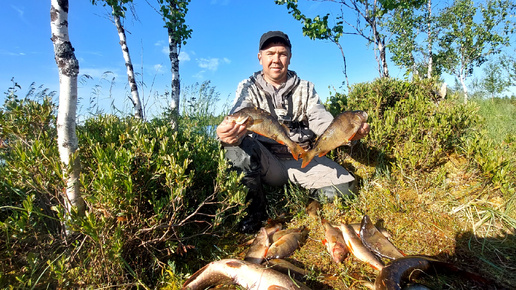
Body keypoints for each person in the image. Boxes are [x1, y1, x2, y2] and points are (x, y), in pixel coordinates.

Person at [216, 31, 370, 233]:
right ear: (260, 57)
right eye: (270, 53)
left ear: (289, 57)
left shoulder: (306, 88)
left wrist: (348, 135)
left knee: (346, 188)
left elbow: (321, 120)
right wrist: (226, 133)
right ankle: (254, 213)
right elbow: (237, 112)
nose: (276, 59)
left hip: (303, 158)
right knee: (235, 147)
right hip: (268, 162)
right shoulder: (247, 87)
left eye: (282, 53)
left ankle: (310, 197)